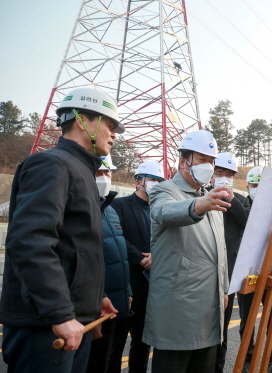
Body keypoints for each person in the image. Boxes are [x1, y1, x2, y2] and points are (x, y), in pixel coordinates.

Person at [0, 87, 123, 373]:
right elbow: (31, 242)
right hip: (45, 325)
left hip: (69, 321)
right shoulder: (52, 165)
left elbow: (75, 248)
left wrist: (92, 301)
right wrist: (60, 313)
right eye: (110, 124)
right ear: (82, 120)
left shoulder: (81, 170)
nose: (115, 134)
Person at [142, 129, 230, 373]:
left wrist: (223, 287)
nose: (209, 167)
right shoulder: (165, 190)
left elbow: (219, 249)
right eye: (202, 160)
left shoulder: (209, 196)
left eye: (212, 161)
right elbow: (165, 212)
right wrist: (198, 205)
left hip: (209, 306)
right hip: (178, 307)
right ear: (184, 162)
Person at [111, 160, 165, 373]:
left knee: (143, 343)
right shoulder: (120, 205)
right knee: (115, 343)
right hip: (126, 285)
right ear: (138, 182)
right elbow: (115, 237)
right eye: (152, 179)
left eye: (159, 181)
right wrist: (139, 258)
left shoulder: (161, 210)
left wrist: (158, 256)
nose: (155, 184)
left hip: (152, 288)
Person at [87, 155, 132, 373]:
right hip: (95, 306)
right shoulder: (81, 210)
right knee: (94, 363)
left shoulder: (111, 210)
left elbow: (120, 255)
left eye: (107, 172)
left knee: (111, 359)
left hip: (117, 304)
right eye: (98, 173)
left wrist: (128, 291)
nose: (104, 178)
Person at [210, 152, 252, 373]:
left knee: (222, 330)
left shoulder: (241, 200)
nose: (223, 178)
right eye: (219, 173)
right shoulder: (200, 196)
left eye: (228, 174)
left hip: (228, 274)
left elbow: (246, 222)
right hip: (204, 271)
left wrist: (231, 200)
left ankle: (218, 367)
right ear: (211, 174)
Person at [236, 165, 272, 373]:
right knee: (247, 320)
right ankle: (248, 357)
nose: (257, 188)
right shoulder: (240, 205)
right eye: (254, 185)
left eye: (261, 185)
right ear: (247, 186)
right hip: (247, 273)